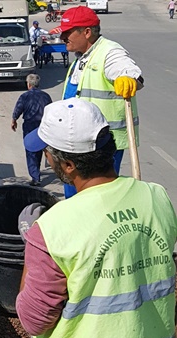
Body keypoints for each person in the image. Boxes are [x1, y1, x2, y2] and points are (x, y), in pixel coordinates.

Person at [16, 98, 177, 338]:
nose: (46, 158)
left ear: (67, 165)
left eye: (48, 153)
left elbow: (33, 321)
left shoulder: (52, 230)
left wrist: (33, 246)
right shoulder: (158, 198)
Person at [59, 6, 143, 198]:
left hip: (101, 147)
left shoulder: (109, 51)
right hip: (77, 143)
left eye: (68, 33)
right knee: (75, 197)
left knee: (97, 198)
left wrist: (127, 78)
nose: (64, 38)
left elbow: (128, 70)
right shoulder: (81, 59)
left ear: (87, 32)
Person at [11, 74, 53, 186]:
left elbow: (18, 109)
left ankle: (35, 177)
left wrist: (14, 120)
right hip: (43, 125)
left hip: (30, 125)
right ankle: (37, 171)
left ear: (29, 84)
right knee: (39, 148)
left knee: (31, 150)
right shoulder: (46, 96)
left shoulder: (24, 96)